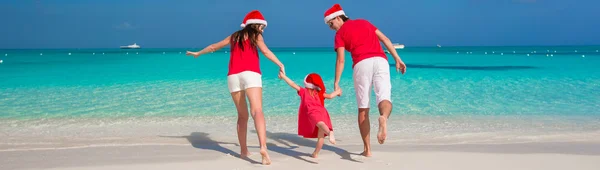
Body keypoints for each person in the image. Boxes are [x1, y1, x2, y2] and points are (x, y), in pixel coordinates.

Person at [185, 10, 285, 165]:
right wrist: (280, 64)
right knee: (257, 111)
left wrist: (198, 53)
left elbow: (213, 47)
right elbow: (264, 51)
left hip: (233, 76)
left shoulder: (234, 36)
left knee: (242, 115)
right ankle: (263, 147)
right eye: (262, 26)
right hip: (250, 73)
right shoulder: (256, 35)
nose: (263, 29)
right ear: (255, 24)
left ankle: (244, 150)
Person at [323, 4, 407, 157]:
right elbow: (385, 39)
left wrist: (336, 82)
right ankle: (383, 118)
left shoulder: (340, 34)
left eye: (331, 24)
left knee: (363, 109)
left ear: (337, 18)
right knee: (384, 98)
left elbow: (341, 60)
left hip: (362, 64)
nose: (331, 28)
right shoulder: (364, 22)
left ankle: (367, 150)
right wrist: (397, 58)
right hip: (381, 61)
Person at [278, 72, 341, 158]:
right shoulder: (319, 92)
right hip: (323, 112)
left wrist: (283, 76)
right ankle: (316, 153)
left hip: (312, 112)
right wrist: (338, 91)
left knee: (321, 124)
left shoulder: (303, 91)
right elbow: (330, 96)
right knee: (321, 136)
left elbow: (292, 84)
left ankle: (330, 132)